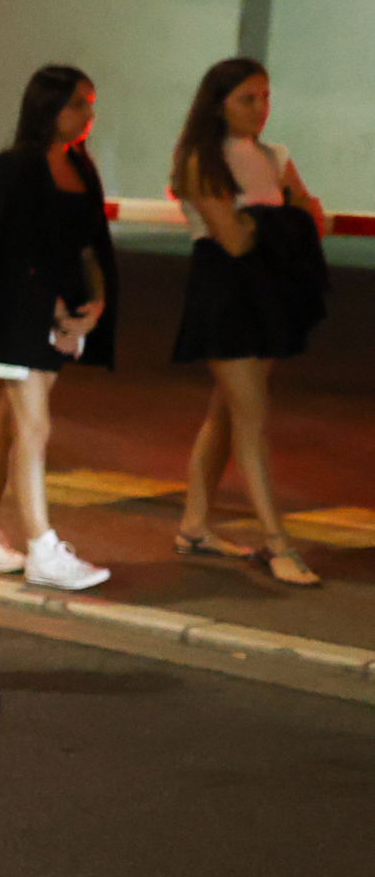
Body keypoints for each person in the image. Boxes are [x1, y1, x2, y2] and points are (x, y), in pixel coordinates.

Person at [0, 64, 119, 590]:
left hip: (56, 319)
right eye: (79, 104)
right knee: (33, 426)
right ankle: (42, 546)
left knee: (11, 424)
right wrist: (55, 313)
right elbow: (3, 254)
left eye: (90, 103)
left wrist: (96, 302)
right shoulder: (10, 168)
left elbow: (89, 245)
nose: (89, 114)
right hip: (16, 319)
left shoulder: (79, 169)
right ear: (49, 107)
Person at [167, 58, 330, 589]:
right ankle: (278, 542)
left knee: (229, 412)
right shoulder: (201, 159)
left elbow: (313, 221)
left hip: (265, 294)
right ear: (218, 103)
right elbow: (234, 240)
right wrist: (288, 219)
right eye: (247, 99)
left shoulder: (274, 155)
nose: (260, 110)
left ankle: (194, 525)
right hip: (226, 295)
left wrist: (268, 220)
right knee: (251, 418)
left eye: (265, 98)